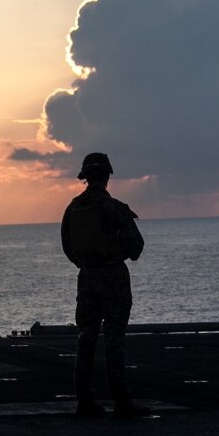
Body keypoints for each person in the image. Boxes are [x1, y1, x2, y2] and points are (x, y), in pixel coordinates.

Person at [60, 152, 150, 418]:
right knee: (114, 339)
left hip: (86, 279)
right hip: (113, 279)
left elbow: (68, 247)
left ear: (85, 177)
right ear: (107, 176)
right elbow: (136, 247)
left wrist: (88, 264)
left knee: (86, 338)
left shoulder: (73, 208)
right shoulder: (116, 208)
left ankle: (84, 400)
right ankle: (122, 401)